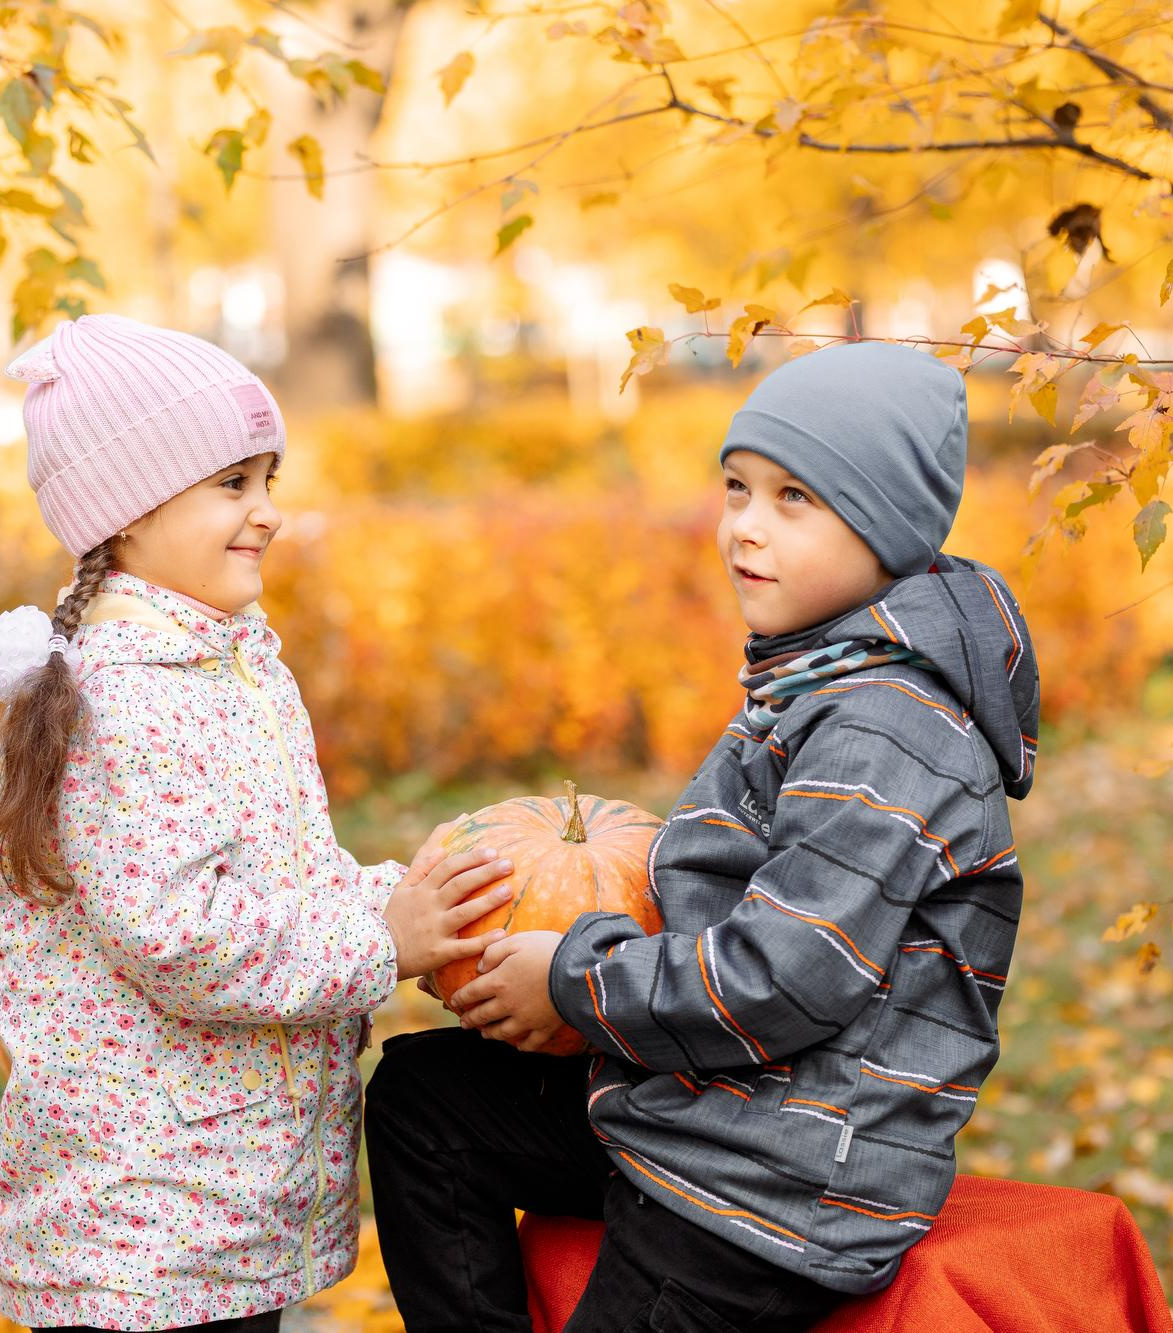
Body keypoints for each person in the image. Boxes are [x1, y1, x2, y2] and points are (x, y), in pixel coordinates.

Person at [366, 340, 1043, 1332]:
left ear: (887, 526)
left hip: (783, 1174)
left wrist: (574, 975)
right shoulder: (815, 676)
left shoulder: (881, 727)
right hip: (717, 1102)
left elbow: (784, 977)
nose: (744, 528)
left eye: (794, 499)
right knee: (426, 1100)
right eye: (736, 488)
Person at [0, 314, 513, 1332]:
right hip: (147, 1220)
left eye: (268, 480)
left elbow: (271, 885)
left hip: (209, 1200)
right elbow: (185, 937)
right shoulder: (125, 702)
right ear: (126, 513)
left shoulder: (223, 664)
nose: (266, 512)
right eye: (233, 484)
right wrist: (381, 939)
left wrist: (400, 899)